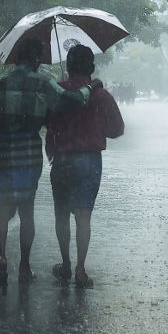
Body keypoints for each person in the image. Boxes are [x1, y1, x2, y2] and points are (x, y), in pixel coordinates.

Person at [0, 38, 102, 290]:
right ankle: (24, 267)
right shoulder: (43, 82)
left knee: (2, 205)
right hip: (28, 149)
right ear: (36, 60)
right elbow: (72, 100)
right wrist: (92, 86)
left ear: (16, 58)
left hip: (3, 148)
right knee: (26, 208)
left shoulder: (0, 82)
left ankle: (0, 257)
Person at [46, 45, 124, 288]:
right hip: (89, 162)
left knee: (62, 215)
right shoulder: (101, 96)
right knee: (83, 216)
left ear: (68, 66)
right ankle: (81, 269)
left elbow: (48, 122)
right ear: (92, 67)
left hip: (63, 160)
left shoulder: (58, 92)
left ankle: (66, 264)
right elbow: (117, 130)